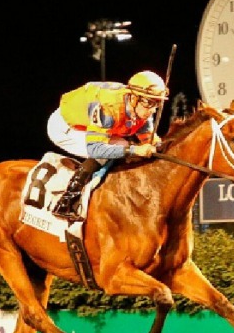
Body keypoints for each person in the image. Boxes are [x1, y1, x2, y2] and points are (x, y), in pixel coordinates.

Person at [47, 70, 168, 221]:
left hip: (88, 123)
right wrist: (135, 150)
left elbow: (148, 139)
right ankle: (66, 201)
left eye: (157, 104)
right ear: (133, 98)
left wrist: (158, 145)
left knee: (122, 146)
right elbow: (95, 149)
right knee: (111, 151)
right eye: (150, 103)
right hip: (65, 127)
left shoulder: (142, 109)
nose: (153, 110)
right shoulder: (109, 108)